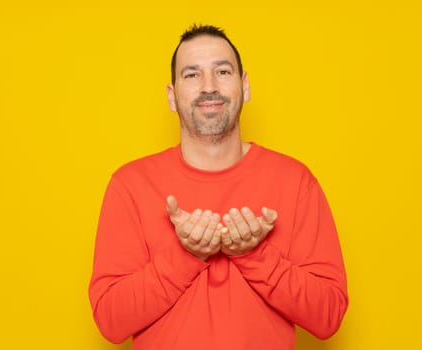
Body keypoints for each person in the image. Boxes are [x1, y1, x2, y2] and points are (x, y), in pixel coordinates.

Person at [89, 24, 348, 350]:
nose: (209, 87)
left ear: (245, 86)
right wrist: (185, 254)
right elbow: (110, 321)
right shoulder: (130, 185)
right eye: (192, 75)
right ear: (172, 96)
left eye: (222, 71)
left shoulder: (295, 181)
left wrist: (255, 255)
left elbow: (329, 316)